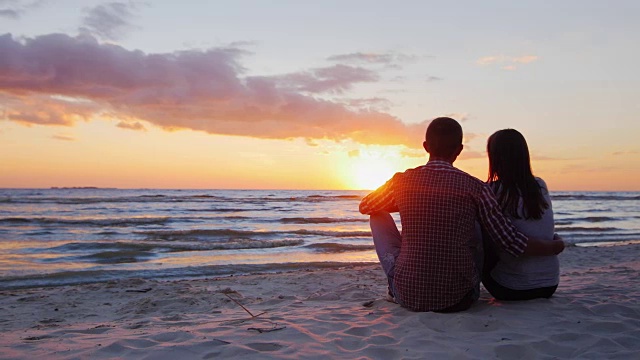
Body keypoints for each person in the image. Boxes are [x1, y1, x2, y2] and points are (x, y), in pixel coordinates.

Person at [359, 117, 564, 312]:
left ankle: (395, 283)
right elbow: (510, 241)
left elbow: (366, 206)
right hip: (461, 298)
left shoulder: (401, 181)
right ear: (459, 150)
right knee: (476, 220)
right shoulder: (476, 187)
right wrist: (555, 245)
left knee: (377, 215)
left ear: (425, 146)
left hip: (408, 296)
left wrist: (408, 202)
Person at [482, 129, 559, 300]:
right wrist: (555, 245)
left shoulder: (492, 190)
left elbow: (510, 243)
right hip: (550, 284)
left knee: (478, 233)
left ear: (494, 158)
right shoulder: (539, 185)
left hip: (511, 288)